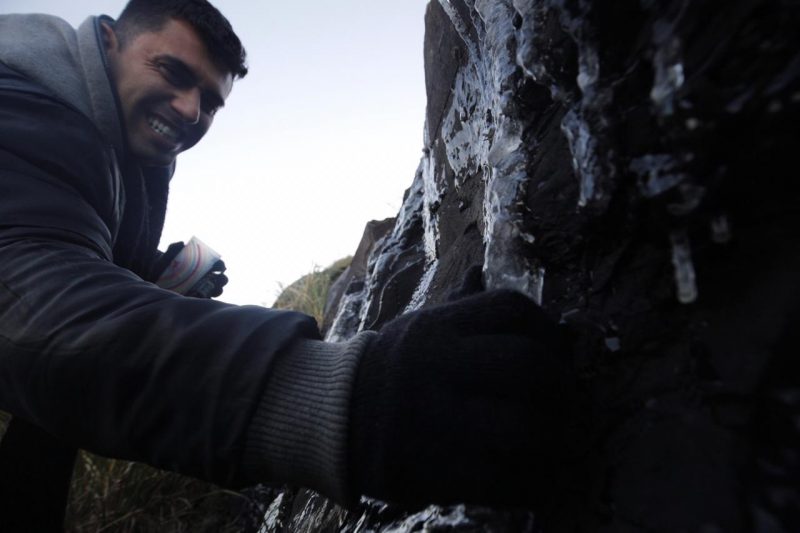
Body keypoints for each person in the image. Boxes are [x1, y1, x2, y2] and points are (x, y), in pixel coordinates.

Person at [0, 0, 572, 528]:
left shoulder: (122, 145)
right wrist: (331, 400)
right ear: (107, 41)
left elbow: (54, 238)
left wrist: (151, 270)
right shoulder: (22, 101)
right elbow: (28, 304)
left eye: (210, 101)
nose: (190, 110)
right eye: (173, 73)